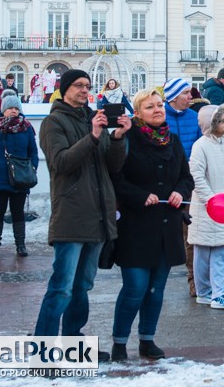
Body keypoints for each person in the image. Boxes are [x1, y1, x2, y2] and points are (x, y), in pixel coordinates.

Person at [34, 68, 128, 364]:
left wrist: (117, 139)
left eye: (88, 86)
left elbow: (111, 167)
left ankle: (74, 345)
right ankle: (42, 352)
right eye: (78, 85)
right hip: (71, 215)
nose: (84, 90)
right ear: (63, 89)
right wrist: (93, 135)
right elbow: (61, 163)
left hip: (98, 216)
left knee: (82, 287)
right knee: (61, 288)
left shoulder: (92, 118)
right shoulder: (52, 122)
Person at [111, 88, 194, 361]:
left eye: (159, 105)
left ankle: (147, 339)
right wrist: (138, 196)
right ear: (137, 113)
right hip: (136, 225)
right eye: (150, 107)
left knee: (156, 289)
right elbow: (115, 177)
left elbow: (186, 176)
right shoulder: (128, 139)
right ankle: (120, 342)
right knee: (135, 287)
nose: (157, 110)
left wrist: (180, 192)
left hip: (166, 225)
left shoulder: (173, 140)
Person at [188, 104, 224, 310]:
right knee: (202, 251)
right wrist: (212, 200)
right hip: (206, 207)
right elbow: (197, 176)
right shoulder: (200, 145)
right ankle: (208, 293)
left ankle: (216, 292)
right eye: (220, 120)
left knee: (220, 251)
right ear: (211, 124)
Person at [0, 90, 39, 257]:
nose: (14, 110)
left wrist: (32, 168)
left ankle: (20, 245)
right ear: (3, 109)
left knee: (18, 212)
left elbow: (33, 152)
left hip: (20, 178)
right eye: (10, 107)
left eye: (16, 108)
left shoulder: (26, 128)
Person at [163, 76, 201, 296]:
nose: (190, 97)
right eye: (186, 93)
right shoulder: (160, 116)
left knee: (190, 236)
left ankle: (193, 280)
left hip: (186, 184)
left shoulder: (194, 117)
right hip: (163, 185)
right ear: (175, 97)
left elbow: (198, 148)